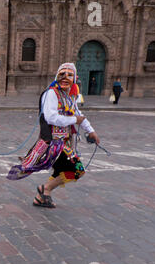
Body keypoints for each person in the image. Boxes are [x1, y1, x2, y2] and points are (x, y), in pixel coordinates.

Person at [7, 63, 100, 208]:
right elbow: (51, 117)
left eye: (69, 75)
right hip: (55, 143)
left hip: (66, 142)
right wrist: (74, 120)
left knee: (65, 172)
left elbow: (78, 113)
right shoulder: (51, 94)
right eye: (62, 74)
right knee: (78, 171)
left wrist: (91, 130)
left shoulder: (69, 96)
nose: (65, 78)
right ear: (57, 76)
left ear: (75, 78)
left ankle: (41, 197)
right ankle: (46, 189)